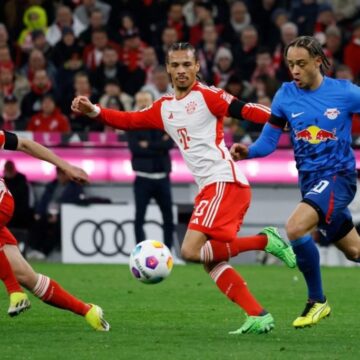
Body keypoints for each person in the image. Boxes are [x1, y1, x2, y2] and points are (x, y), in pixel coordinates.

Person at [71, 42, 296, 335]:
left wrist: (278, 120)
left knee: (190, 251)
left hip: (223, 182)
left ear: (197, 67)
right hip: (212, 188)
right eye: (175, 65)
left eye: (186, 65)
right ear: (166, 68)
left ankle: (264, 242)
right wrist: (94, 111)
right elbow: (128, 120)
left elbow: (246, 109)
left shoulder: (207, 95)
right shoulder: (164, 108)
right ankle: (257, 314)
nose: (181, 71)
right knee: (211, 260)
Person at [230, 35, 360, 329]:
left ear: (318, 61)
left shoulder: (346, 93)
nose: (295, 70)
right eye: (291, 64)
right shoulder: (285, 95)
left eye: (301, 64)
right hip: (311, 184)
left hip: (339, 178)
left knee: (295, 227)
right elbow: (269, 141)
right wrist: (248, 151)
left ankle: (317, 301)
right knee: (355, 251)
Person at [0, 129, 110, 331]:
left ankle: (14, 291)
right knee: (27, 276)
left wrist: (66, 167)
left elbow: (25, 144)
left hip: (2, 204)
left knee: (17, 283)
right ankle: (88, 311)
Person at [127, 90, 175, 251]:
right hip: (142, 178)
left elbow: (169, 144)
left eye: (146, 101)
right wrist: (159, 146)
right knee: (139, 217)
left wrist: (148, 145)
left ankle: (168, 252)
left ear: (153, 102)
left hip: (163, 178)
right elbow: (136, 149)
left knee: (168, 217)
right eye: (140, 101)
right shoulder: (132, 124)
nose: (143, 104)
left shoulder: (164, 121)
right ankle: (140, 252)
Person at [29, 166, 84, 259]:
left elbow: (75, 203)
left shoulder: (75, 187)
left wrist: (59, 215)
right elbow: (44, 201)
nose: (60, 177)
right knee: (38, 222)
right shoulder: (52, 185)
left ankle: (44, 251)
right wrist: (38, 212)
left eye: (62, 174)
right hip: (48, 214)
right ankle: (34, 249)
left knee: (57, 227)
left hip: (63, 216)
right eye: (58, 174)